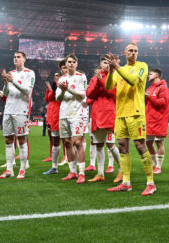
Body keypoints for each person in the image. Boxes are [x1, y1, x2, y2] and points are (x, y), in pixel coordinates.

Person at [105, 43, 156, 196]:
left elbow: (133, 81)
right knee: (122, 146)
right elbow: (108, 87)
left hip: (136, 112)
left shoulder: (142, 66)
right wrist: (111, 70)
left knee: (140, 146)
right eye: (131, 51)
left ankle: (150, 183)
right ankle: (126, 182)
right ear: (124, 53)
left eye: (136, 51)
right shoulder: (119, 70)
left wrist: (117, 68)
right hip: (120, 113)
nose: (134, 53)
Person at [0, 51, 35, 179]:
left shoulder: (30, 73)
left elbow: (27, 91)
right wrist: (6, 83)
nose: (16, 59)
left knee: (22, 140)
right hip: (8, 109)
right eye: (14, 57)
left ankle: (22, 170)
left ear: (24, 59)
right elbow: (5, 93)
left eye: (18, 57)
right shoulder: (11, 74)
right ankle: (9, 169)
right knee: (8, 140)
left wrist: (13, 81)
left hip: (21, 110)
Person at [86, 55, 122, 183]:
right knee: (99, 145)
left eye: (108, 62)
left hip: (109, 114)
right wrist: (97, 81)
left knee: (111, 144)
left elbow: (112, 92)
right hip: (96, 115)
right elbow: (89, 94)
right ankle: (100, 173)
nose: (106, 64)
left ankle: (121, 170)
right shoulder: (94, 78)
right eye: (104, 62)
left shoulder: (116, 77)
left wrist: (101, 80)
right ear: (100, 64)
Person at [56, 54, 87, 184]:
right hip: (63, 113)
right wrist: (63, 91)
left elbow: (82, 95)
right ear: (66, 63)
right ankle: (72, 172)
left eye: (73, 62)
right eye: (69, 62)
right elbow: (58, 98)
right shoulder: (62, 78)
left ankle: (82, 173)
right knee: (67, 143)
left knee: (78, 142)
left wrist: (67, 89)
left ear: (76, 64)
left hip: (76, 113)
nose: (71, 64)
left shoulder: (81, 77)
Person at [145, 68, 169, 175]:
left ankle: (159, 166)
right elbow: (147, 103)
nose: (148, 76)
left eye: (150, 74)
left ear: (156, 75)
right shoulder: (149, 89)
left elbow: (163, 103)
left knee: (159, 142)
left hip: (159, 120)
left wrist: (149, 97)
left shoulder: (163, 88)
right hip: (149, 120)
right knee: (148, 142)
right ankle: (154, 164)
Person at [43, 70, 62, 174]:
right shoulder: (55, 86)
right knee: (54, 139)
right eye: (55, 75)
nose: (56, 77)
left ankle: (69, 162)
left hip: (59, 113)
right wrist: (48, 89)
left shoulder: (61, 86)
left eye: (58, 75)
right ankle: (54, 166)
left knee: (67, 141)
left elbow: (55, 98)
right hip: (52, 114)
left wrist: (50, 89)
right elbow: (48, 99)